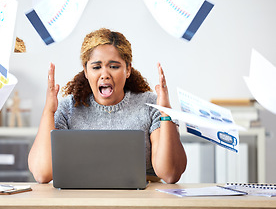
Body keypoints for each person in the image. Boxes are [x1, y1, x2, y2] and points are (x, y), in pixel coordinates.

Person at [28, 28, 187, 184]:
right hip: (81, 202)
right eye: (96, 67)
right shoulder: (68, 108)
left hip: (139, 203)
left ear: (128, 69)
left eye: (114, 66)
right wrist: (48, 111)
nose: (105, 74)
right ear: (86, 71)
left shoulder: (150, 105)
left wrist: (165, 112)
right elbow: (42, 174)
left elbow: (170, 174)